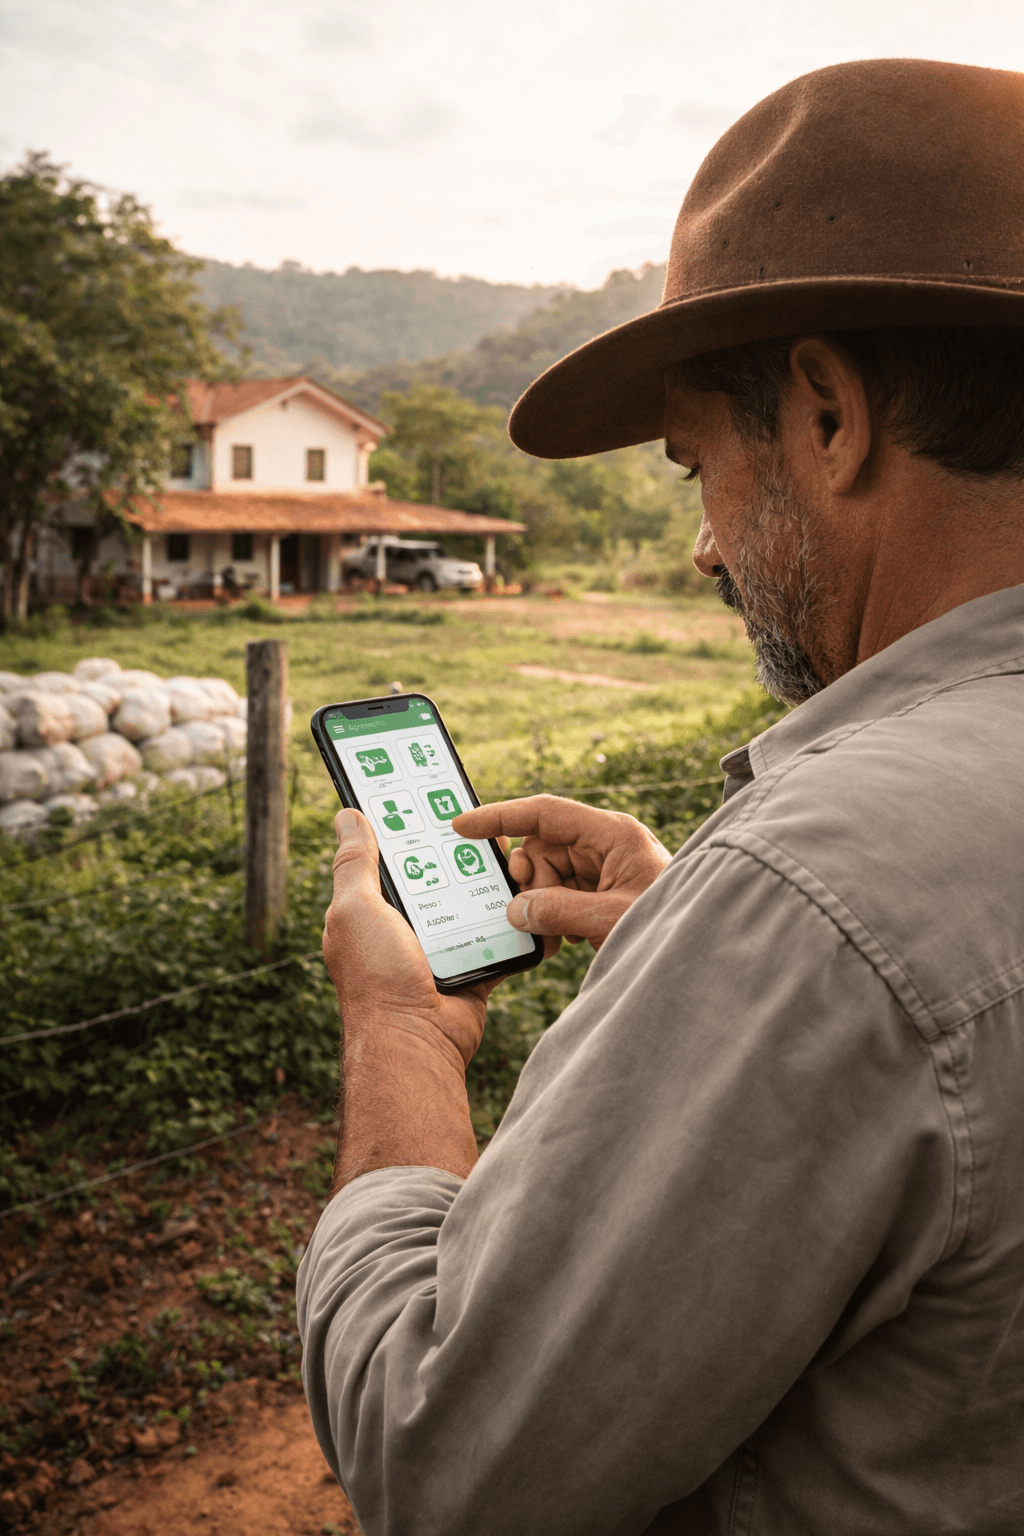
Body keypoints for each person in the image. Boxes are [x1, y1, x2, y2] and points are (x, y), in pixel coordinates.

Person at [297, 58, 1024, 1534]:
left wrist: (402, 1036)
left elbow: (447, 1467)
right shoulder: (845, 902)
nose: (702, 551)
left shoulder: (831, 890)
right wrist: (718, 943)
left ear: (827, 413)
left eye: (696, 466)